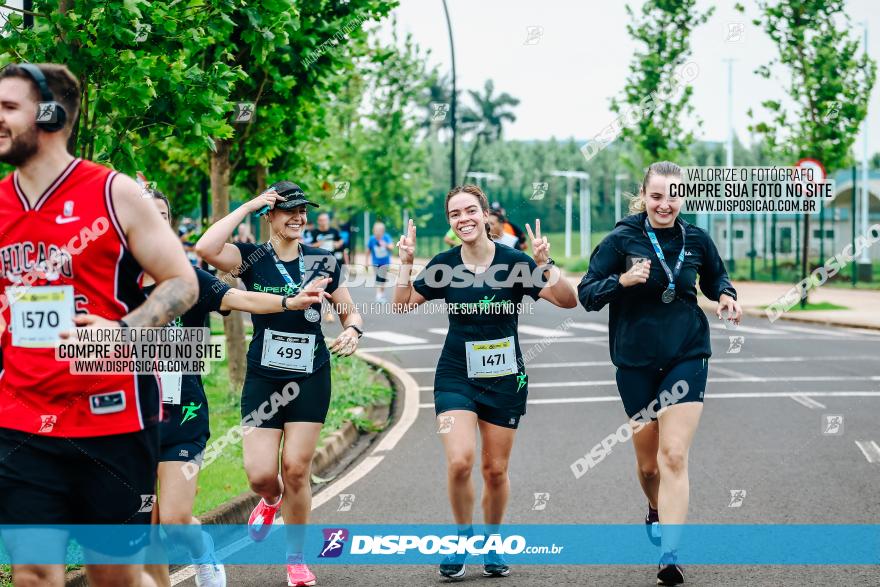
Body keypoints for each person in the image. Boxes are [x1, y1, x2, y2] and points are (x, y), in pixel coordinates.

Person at [0, 63, 198, 587]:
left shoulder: (116, 194)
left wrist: (123, 332)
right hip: (22, 422)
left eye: (8, 108)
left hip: (113, 419)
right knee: (35, 573)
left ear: (51, 116)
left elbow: (182, 282)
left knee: (114, 576)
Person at [142, 189, 332, 587]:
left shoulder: (189, 278)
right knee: (144, 528)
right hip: (127, 415)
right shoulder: (110, 280)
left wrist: (295, 307)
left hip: (183, 411)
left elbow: (235, 294)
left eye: (161, 214)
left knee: (176, 520)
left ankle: (227, 553)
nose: (152, 221)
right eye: (143, 213)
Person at [392, 185, 577, 580]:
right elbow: (402, 304)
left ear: (486, 216)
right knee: (460, 461)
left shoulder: (515, 262)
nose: (464, 219)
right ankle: (462, 538)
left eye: (470, 211)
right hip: (455, 374)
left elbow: (567, 300)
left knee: (495, 470)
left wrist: (547, 264)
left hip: (505, 377)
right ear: (450, 222)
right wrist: (405, 262)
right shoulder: (444, 264)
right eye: (455, 214)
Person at [577, 161, 742, 586]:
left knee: (673, 455)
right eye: (656, 196)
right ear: (644, 196)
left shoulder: (697, 238)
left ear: (683, 196)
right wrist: (624, 280)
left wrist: (725, 294)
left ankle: (670, 554)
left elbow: (714, 278)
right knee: (649, 467)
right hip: (635, 361)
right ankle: (654, 508)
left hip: (687, 352)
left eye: (673, 195)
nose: (665, 203)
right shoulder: (621, 239)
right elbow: (587, 294)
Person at [195, 181, 364, 587]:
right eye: (288, 210)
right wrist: (249, 203)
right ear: (269, 215)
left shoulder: (324, 259)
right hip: (264, 378)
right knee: (259, 475)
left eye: (302, 210)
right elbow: (205, 249)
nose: (298, 217)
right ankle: (269, 501)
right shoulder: (251, 259)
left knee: (297, 469)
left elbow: (349, 313)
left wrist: (354, 331)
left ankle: (296, 560)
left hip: (311, 375)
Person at [367, 221, 393, 302]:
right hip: (376, 262)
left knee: (383, 278)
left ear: (383, 231)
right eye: (376, 231)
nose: (378, 233)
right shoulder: (372, 239)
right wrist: (366, 262)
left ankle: (381, 293)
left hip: (385, 262)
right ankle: (378, 295)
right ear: (373, 231)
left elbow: (391, 247)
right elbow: (368, 251)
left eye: (380, 231)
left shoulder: (386, 237)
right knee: (378, 278)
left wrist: (385, 244)